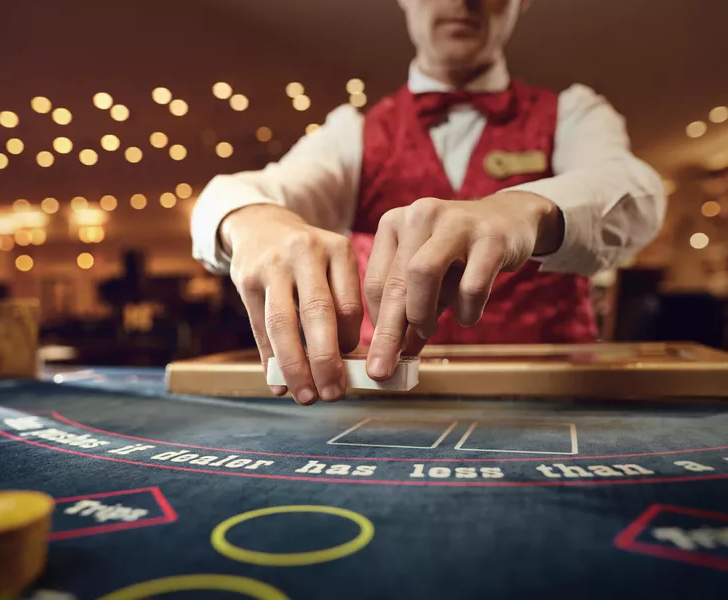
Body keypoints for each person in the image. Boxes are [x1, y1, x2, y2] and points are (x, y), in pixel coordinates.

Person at [191, 0, 666, 405]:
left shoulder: (573, 112)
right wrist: (253, 222)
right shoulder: (352, 134)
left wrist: (523, 209)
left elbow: (633, 189)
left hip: (553, 401)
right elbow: (236, 193)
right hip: (387, 401)